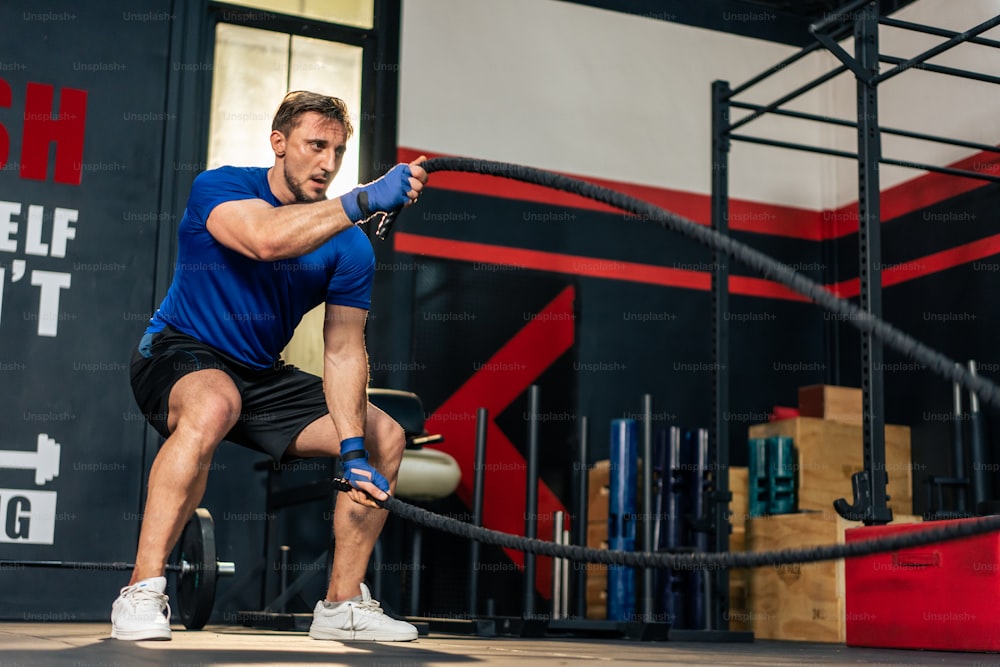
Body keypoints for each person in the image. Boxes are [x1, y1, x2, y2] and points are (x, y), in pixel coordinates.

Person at [116, 90, 427, 642]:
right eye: (315, 145)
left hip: (260, 373)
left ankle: (340, 606)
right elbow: (265, 241)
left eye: (337, 150)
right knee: (215, 403)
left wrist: (352, 447)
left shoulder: (349, 248)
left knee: (385, 436)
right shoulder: (220, 187)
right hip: (179, 350)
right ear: (279, 144)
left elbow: (344, 351)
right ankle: (141, 590)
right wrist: (360, 200)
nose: (328, 163)